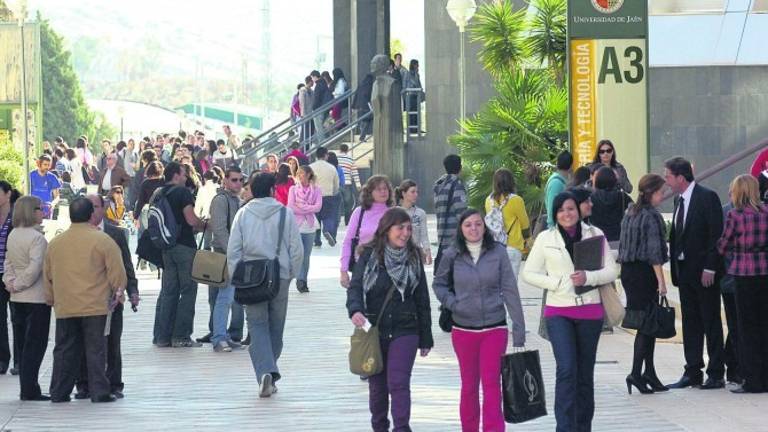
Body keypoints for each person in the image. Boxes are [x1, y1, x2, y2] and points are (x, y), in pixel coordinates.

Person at [522, 192, 619, 432]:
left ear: (579, 210)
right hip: (559, 312)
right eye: (562, 210)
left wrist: (589, 276)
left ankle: (583, 427)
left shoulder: (595, 235)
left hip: (590, 311)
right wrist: (556, 283)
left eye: (571, 209)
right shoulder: (546, 238)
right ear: (555, 214)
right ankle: (564, 428)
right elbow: (529, 273)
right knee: (566, 369)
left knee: (584, 374)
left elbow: (612, 271)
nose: (567, 214)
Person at [433, 208, 526, 431]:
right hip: (464, 330)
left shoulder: (498, 252)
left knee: (492, 384)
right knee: (469, 386)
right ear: (461, 229)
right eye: (468, 225)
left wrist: (519, 327)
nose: (474, 229)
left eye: (478, 224)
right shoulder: (451, 254)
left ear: (485, 227)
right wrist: (454, 304)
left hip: (495, 328)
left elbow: (510, 289)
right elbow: (439, 284)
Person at [346, 207, 433, 431]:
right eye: (400, 228)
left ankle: (402, 428)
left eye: (408, 228)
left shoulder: (413, 256)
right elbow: (355, 288)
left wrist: (426, 337)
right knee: (377, 389)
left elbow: (422, 298)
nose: (405, 233)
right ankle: (380, 427)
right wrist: (355, 310)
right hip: (374, 329)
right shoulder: (368, 255)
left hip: (407, 329)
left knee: (398, 383)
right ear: (386, 229)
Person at [227, 173, 303, 398]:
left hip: (251, 278)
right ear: (272, 190)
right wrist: (291, 275)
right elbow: (296, 249)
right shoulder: (285, 213)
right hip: (279, 276)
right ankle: (270, 369)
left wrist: (236, 277)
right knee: (276, 327)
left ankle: (265, 373)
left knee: (257, 326)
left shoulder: (242, 214)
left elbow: (233, 250)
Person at [45, 197, 127, 403]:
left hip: (65, 305)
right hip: (95, 305)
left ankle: (59, 391)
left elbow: (47, 275)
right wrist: (119, 292)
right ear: (91, 214)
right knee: (96, 349)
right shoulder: (102, 240)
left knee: (64, 349)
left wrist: (51, 298)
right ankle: (99, 391)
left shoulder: (55, 243)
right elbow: (117, 272)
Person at [665, 156, 726, 390]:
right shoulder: (679, 200)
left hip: (704, 272)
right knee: (690, 322)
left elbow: (715, 236)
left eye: (668, 176)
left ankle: (716, 372)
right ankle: (692, 371)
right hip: (685, 271)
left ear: (681, 177)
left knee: (710, 320)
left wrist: (711, 266)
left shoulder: (706, 197)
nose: (666, 181)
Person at [75, 194, 139, 399]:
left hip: (111, 297)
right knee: (85, 342)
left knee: (112, 341)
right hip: (85, 296)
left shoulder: (115, 234)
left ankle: (113, 383)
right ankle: (84, 383)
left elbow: (126, 266)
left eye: (95, 206)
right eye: (89, 207)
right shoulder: (76, 233)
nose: (92, 211)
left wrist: (133, 291)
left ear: (103, 209)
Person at [618, 174, 670, 394]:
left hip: (629, 271)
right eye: (660, 192)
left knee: (646, 323)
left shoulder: (630, 212)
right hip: (644, 272)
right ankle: (636, 373)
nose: (663, 195)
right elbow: (654, 252)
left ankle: (648, 371)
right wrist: (661, 281)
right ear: (650, 193)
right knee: (647, 325)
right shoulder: (651, 216)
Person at [717, 174, 768, 394]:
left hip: (743, 274)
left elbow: (723, 245)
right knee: (764, 326)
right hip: (765, 272)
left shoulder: (734, 216)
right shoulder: (766, 213)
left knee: (746, 329)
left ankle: (752, 379)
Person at [153, 162, 207, 348]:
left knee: (169, 292)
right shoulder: (182, 193)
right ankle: (181, 336)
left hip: (166, 247)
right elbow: (191, 220)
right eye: (184, 174)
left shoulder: (158, 193)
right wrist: (204, 224)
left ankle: (162, 337)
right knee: (188, 290)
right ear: (176, 175)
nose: (186, 178)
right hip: (184, 246)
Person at [2, 196, 50, 400]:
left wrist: (11, 282)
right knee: (35, 345)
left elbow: (8, 263)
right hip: (36, 298)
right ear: (32, 211)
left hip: (17, 298)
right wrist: (20, 282)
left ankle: (27, 387)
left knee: (23, 344)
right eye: (40, 208)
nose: (43, 212)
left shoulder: (13, 234)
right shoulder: (37, 238)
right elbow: (35, 268)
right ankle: (30, 389)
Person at [207, 167, 246, 352]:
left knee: (228, 297)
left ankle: (223, 335)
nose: (238, 183)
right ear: (225, 181)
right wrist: (233, 252)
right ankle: (219, 337)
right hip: (224, 253)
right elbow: (219, 229)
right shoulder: (221, 200)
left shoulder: (236, 200)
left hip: (233, 253)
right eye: (234, 180)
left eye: (240, 180)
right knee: (224, 297)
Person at [340, 175, 395, 288]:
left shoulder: (394, 213)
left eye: (385, 188)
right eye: (378, 189)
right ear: (369, 192)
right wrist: (343, 271)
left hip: (388, 268)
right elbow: (347, 242)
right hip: (361, 266)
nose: (383, 192)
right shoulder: (359, 212)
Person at [484, 168, 530, 278]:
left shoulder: (488, 201)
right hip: (512, 246)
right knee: (511, 285)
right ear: (511, 182)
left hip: (494, 247)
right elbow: (525, 224)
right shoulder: (516, 200)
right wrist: (527, 241)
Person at [286, 165, 323, 293]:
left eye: (302, 173)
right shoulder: (293, 189)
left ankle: (302, 280)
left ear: (308, 175)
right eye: (298, 173)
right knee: (297, 254)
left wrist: (302, 206)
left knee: (306, 255)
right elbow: (290, 206)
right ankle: (294, 276)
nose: (300, 175)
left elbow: (318, 207)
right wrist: (308, 207)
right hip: (296, 226)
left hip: (310, 225)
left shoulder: (317, 190)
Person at [718, 198, 741, 386]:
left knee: (737, 324)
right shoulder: (730, 213)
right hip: (736, 277)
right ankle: (733, 366)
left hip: (731, 276)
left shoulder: (727, 212)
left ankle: (732, 364)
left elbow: (721, 246)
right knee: (737, 324)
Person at [433, 154, 467, 273]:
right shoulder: (456, 185)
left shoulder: (439, 186)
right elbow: (461, 213)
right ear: (460, 167)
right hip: (455, 238)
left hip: (442, 236)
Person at [0, 181, 20, 376]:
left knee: (17, 318)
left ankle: (19, 361)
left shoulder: (16, 218)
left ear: (8, 195)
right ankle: (2, 359)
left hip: (13, 275)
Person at [590, 166, 633, 242]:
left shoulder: (591, 197)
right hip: (619, 237)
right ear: (614, 180)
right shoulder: (623, 197)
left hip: (597, 238)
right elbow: (634, 213)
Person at [309, 146, 340, 247]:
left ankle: (317, 240)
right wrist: (334, 192)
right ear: (326, 155)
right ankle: (327, 230)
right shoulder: (332, 168)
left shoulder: (311, 167)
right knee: (328, 217)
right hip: (328, 196)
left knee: (316, 219)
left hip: (313, 197)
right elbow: (336, 184)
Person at [395, 180, 432, 265]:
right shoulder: (394, 212)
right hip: (398, 254)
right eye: (412, 192)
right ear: (404, 193)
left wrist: (428, 251)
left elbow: (424, 235)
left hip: (415, 254)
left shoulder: (420, 213)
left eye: (417, 192)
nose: (416, 195)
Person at [545, 150, 573, 228]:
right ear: (571, 166)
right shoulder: (556, 183)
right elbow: (551, 209)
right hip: (555, 229)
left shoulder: (560, 181)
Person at [29, 154, 61, 219]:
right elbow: (24, 191)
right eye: (45, 164)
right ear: (39, 164)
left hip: (46, 210)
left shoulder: (52, 177)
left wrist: (52, 204)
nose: (47, 167)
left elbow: (57, 196)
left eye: (49, 165)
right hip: (32, 208)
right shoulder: (31, 175)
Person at [311, 70, 333, 144]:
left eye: (312, 78)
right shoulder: (324, 84)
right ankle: (324, 142)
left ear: (314, 76)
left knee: (319, 128)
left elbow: (317, 98)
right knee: (322, 127)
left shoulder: (318, 85)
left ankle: (323, 143)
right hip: (324, 108)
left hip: (318, 109)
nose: (312, 80)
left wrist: (313, 108)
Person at [402, 59, 424, 134]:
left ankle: (417, 128)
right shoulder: (407, 74)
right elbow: (405, 84)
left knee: (417, 112)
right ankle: (411, 129)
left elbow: (419, 84)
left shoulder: (417, 74)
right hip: (410, 95)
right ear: (413, 65)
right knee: (411, 112)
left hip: (416, 95)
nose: (418, 66)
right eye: (416, 65)